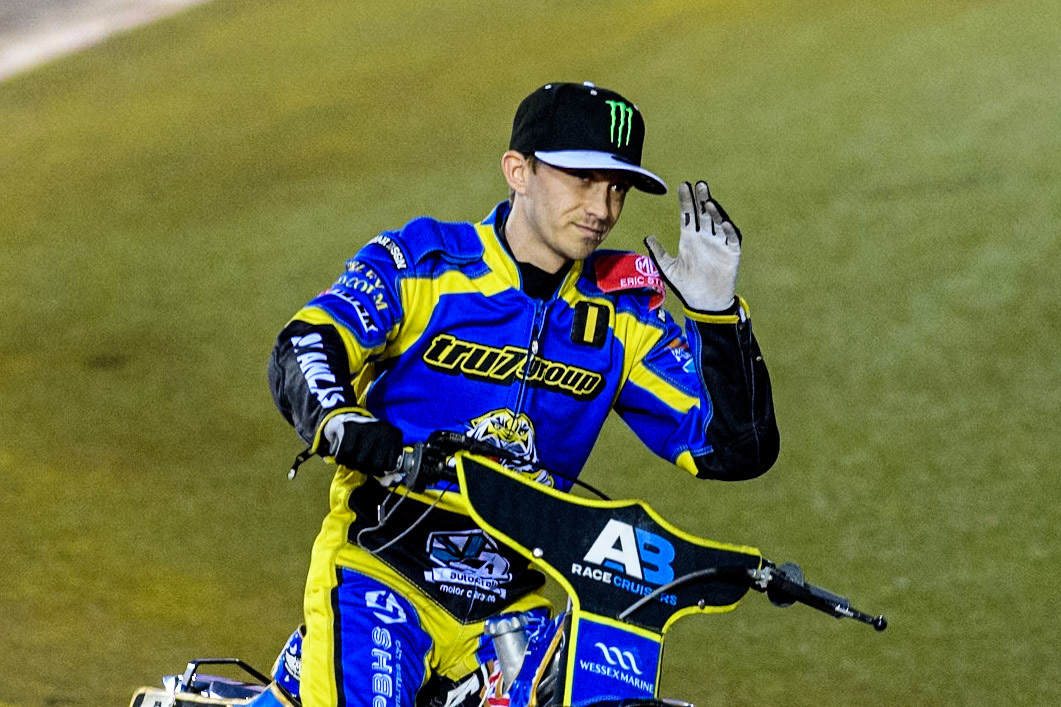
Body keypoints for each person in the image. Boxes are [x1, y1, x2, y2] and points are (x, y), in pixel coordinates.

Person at [266, 81, 779, 707]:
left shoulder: (623, 314)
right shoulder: (425, 261)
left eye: (618, 188)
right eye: (583, 179)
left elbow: (733, 450)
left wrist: (717, 318)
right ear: (519, 171)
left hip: (511, 610)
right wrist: (341, 421)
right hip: (380, 577)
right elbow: (305, 344)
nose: (603, 208)